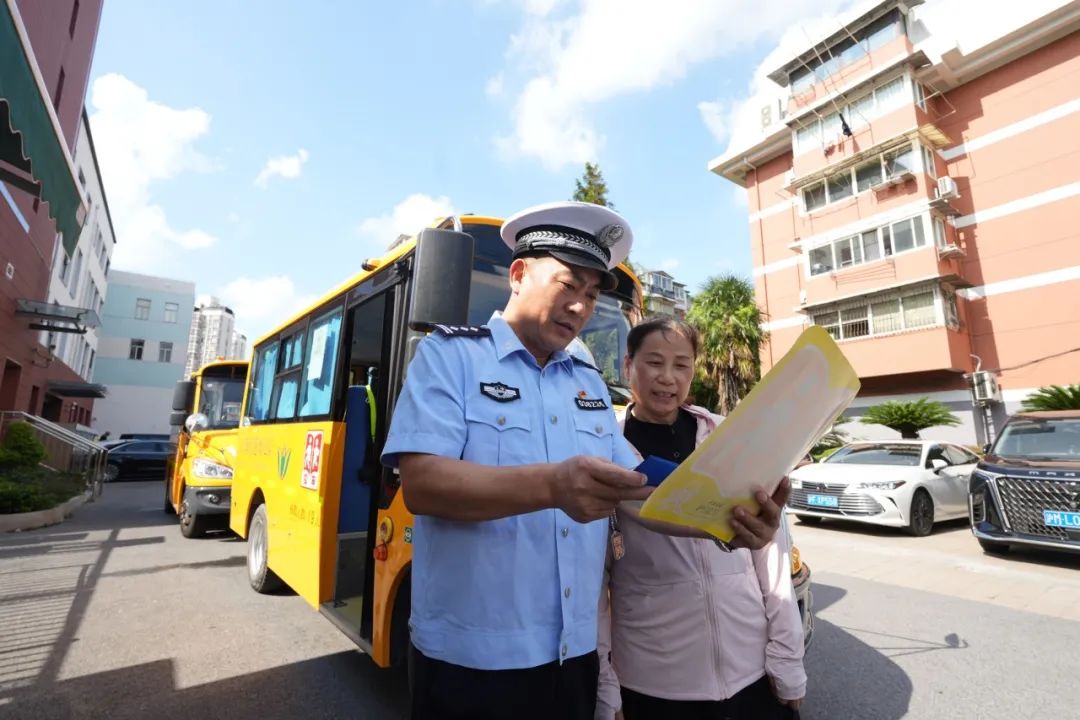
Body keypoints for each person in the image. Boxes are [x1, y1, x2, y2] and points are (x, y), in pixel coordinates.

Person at [381, 202, 791, 720]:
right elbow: (423, 484)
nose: (580, 308)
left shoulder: (586, 381)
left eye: (592, 296)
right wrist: (553, 487)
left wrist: (726, 519)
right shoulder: (451, 357)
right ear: (518, 274)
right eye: (567, 286)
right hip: (473, 660)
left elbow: (640, 482)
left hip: (573, 659)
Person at [596, 316, 806, 720]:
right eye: (654, 363)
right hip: (653, 681)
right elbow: (595, 583)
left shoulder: (729, 438)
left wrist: (787, 661)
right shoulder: (606, 450)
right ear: (628, 366)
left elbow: (773, 559)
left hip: (752, 674)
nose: (668, 378)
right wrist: (607, 687)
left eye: (682, 365)